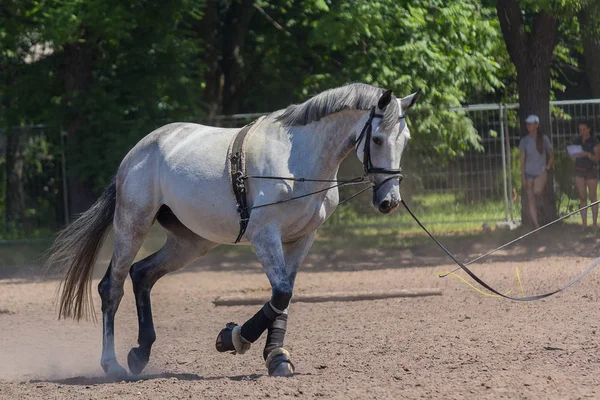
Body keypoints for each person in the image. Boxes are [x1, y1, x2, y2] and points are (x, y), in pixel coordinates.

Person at [519, 114, 554, 229]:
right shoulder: (524, 141)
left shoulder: (544, 139)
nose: (529, 125)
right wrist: (523, 177)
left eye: (531, 123)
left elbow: (551, 156)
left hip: (540, 172)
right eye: (527, 123)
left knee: (537, 191)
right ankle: (536, 225)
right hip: (529, 173)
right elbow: (522, 161)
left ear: (537, 124)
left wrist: (547, 168)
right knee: (531, 199)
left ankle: (542, 213)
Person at [570, 120, 600, 229]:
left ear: (589, 129)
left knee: (593, 197)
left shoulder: (594, 141)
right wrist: (572, 156)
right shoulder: (577, 140)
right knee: (582, 197)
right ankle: (584, 224)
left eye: (583, 129)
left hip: (591, 171)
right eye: (580, 129)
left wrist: (587, 154)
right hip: (579, 171)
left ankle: (595, 223)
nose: (581, 131)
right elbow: (572, 154)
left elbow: (597, 158)